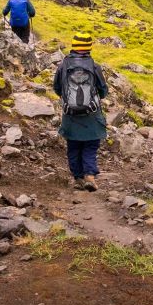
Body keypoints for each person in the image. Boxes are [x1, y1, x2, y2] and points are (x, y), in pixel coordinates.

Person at [53, 33, 108, 191]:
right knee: (90, 146)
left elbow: (57, 88)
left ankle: (78, 178)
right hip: (92, 115)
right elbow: (103, 90)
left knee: (73, 146)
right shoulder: (94, 66)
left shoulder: (63, 66)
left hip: (70, 116)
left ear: (74, 46)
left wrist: (69, 100)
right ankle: (89, 175)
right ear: (89, 47)